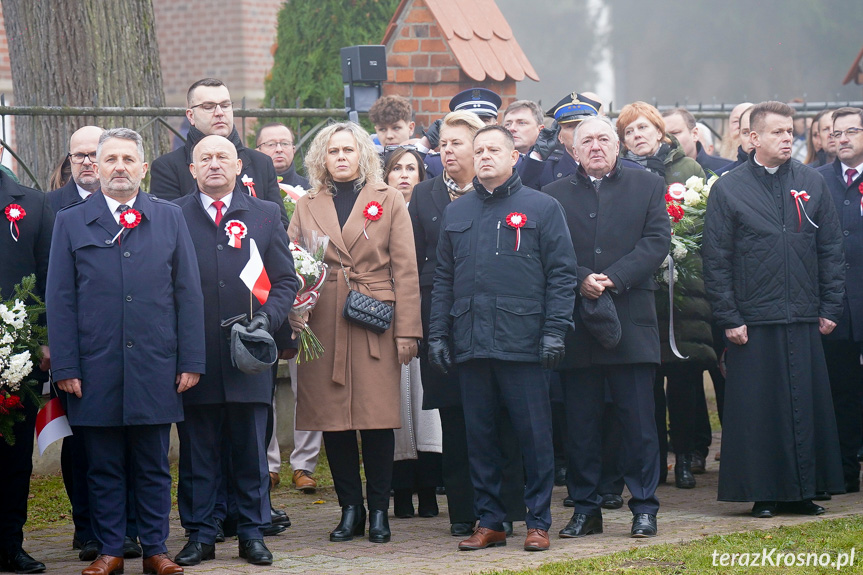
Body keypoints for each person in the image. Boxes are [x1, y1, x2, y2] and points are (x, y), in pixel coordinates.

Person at [47, 128, 205, 575]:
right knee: (102, 466)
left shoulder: (169, 217)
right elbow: (60, 299)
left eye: (127, 159)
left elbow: (187, 293)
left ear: (142, 167)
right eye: (110, 159)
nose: (119, 167)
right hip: (95, 368)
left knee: (153, 464)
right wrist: (67, 366)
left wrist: (191, 360)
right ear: (96, 167)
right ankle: (111, 550)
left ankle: (156, 549)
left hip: (156, 364)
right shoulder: (71, 222)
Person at [428, 125, 578, 553]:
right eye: (480, 150)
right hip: (472, 341)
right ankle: (491, 520)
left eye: (495, 149)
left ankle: (538, 522)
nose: (486, 156)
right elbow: (443, 279)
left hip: (525, 342)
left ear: (515, 156)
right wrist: (439, 334)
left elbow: (562, 275)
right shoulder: (458, 212)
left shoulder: (542, 207)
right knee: (481, 437)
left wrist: (555, 331)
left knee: (534, 437)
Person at [703, 101, 845, 518]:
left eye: (791, 132)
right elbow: (716, 258)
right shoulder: (729, 187)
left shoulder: (811, 182)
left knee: (804, 404)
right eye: (778, 132)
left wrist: (830, 306)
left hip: (803, 313)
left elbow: (830, 249)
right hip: (754, 317)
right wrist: (729, 316)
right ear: (753, 139)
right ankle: (764, 493)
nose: (788, 139)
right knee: (759, 411)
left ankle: (803, 491)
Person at [287, 122, 421, 544]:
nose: (341, 157)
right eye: (333, 151)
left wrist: (407, 332)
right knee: (333, 421)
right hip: (323, 319)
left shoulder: (389, 198)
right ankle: (351, 510)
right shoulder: (307, 203)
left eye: (348, 149)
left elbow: (406, 269)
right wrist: (295, 313)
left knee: (377, 419)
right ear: (320, 159)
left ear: (363, 154)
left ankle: (379, 510)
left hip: (373, 318)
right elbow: (292, 261)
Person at [172, 135, 298, 566]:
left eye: (221, 157)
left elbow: (285, 281)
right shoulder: (174, 217)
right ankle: (201, 534)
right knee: (198, 451)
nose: (213, 165)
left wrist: (268, 319)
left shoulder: (263, 216)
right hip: (196, 356)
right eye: (203, 158)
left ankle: (251, 532)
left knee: (250, 450)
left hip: (250, 355)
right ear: (191, 170)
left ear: (239, 165)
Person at [544, 115, 670, 539]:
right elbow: (551, 250)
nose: (596, 147)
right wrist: (582, 277)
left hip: (631, 319)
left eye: (604, 139)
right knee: (581, 425)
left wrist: (613, 276)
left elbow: (656, 241)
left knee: (638, 421)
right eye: (587, 141)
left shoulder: (648, 185)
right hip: (578, 325)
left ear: (617, 147)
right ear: (572, 150)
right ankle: (585, 508)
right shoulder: (552, 195)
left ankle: (644, 507)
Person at [409, 111, 526, 538]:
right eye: (442, 144)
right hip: (443, 319)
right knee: (455, 419)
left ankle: (506, 507)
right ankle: (462, 509)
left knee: (502, 416)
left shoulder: (503, 197)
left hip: (493, 322)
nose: (448, 151)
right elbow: (417, 264)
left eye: (458, 143)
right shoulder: (423, 195)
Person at [255, 121, 317, 494]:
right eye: (270, 143)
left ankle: (305, 463)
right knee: (262, 381)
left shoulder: (310, 191)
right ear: (257, 148)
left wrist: (309, 285)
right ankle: (269, 462)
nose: (278, 149)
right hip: (264, 295)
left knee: (306, 381)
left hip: (307, 296)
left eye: (285, 143)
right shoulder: (252, 188)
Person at [382, 148, 443, 518]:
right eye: (396, 169)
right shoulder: (376, 209)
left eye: (411, 168)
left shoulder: (429, 210)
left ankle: (430, 488)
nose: (403, 175)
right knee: (394, 406)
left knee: (426, 407)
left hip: (423, 313)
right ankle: (400, 489)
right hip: (384, 316)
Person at [0, 148, 52, 575]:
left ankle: (9, 545)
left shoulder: (33, 204)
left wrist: (46, 340)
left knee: (13, 456)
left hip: (16, 354)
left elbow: (50, 276)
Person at [150, 78, 288, 226]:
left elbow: (279, 225)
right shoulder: (167, 167)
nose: (219, 113)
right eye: (208, 106)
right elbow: (167, 227)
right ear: (190, 116)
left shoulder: (261, 163)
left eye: (225, 105)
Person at [816, 106, 863, 495]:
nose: (843, 138)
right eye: (837, 132)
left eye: (852, 131)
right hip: (836, 312)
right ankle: (845, 472)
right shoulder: (815, 182)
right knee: (841, 394)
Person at [520, 92, 601, 189]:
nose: (578, 131)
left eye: (583, 124)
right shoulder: (547, 170)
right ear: (560, 137)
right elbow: (521, 191)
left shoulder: (618, 165)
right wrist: (537, 154)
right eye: (570, 126)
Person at [662, 108, 728, 175]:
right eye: (663, 135)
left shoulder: (726, 169)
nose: (668, 139)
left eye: (675, 133)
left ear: (695, 134)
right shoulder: (656, 172)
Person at [256, 123, 309, 189]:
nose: (279, 149)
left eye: (285, 143)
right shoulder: (249, 189)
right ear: (257, 151)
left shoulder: (309, 190)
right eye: (271, 144)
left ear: (293, 149)